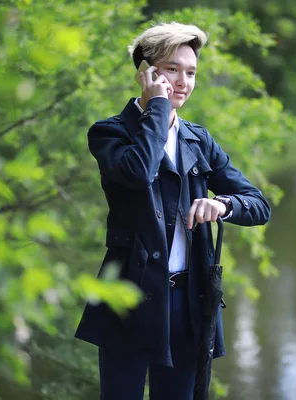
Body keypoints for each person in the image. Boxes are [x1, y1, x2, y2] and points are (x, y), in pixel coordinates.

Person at [74, 22, 271, 400]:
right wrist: (158, 109)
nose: (183, 81)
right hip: (127, 298)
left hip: (188, 300)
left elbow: (258, 204)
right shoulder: (109, 133)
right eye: (171, 70)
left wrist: (222, 204)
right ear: (146, 74)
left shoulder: (199, 139)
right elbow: (137, 172)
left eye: (191, 72)